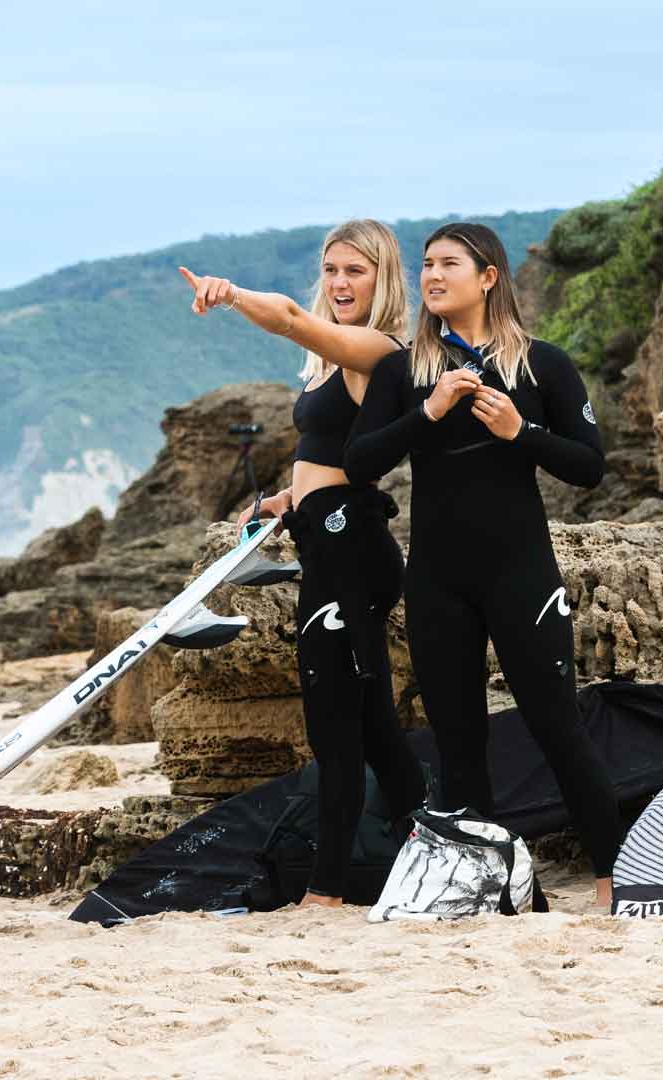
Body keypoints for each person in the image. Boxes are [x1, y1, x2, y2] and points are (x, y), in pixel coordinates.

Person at [343, 222, 620, 908]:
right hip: (438, 579)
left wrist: (519, 433)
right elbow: (360, 464)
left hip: (519, 571)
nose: (432, 276)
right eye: (427, 264)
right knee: (459, 742)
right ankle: (495, 895)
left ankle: (615, 881)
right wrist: (428, 413)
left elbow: (590, 467)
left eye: (449, 264)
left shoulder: (543, 365)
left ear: (489, 276)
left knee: (558, 726)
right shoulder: (402, 370)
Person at [177, 219, 427, 908]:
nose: (340, 283)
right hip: (330, 535)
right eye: (332, 270)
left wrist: (228, 295)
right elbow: (340, 454)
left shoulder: (375, 348)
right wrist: (288, 496)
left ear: (383, 279)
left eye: (357, 271)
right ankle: (440, 841)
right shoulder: (341, 361)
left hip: (351, 551)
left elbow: (287, 318)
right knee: (372, 725)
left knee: (335, 723)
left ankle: (326, 891)